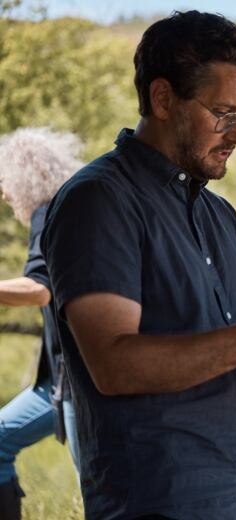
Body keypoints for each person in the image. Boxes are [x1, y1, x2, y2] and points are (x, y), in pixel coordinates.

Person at [40, 11, 236, 520]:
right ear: (163, 99)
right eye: (224, 113)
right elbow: (113, 364)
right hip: (166, 503)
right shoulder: (100, 199)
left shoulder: (219, 215)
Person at [0, 127, 82, 520]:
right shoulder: (73, 207)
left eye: (5, 181)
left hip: (73, 382)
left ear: (23, 176)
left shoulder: (45, 212)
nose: (4, 193)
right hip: (68, 376)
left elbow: (38, 289)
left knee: (101, 488)